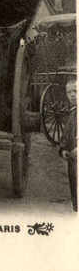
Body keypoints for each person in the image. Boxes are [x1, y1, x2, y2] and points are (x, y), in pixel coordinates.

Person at [59, 78, 77, 211]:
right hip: (73, 159)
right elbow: (66, 134)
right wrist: (63, 149)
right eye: (69, 92)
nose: (72, 95)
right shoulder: (72, 114)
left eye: (76, 91)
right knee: (74, 187)